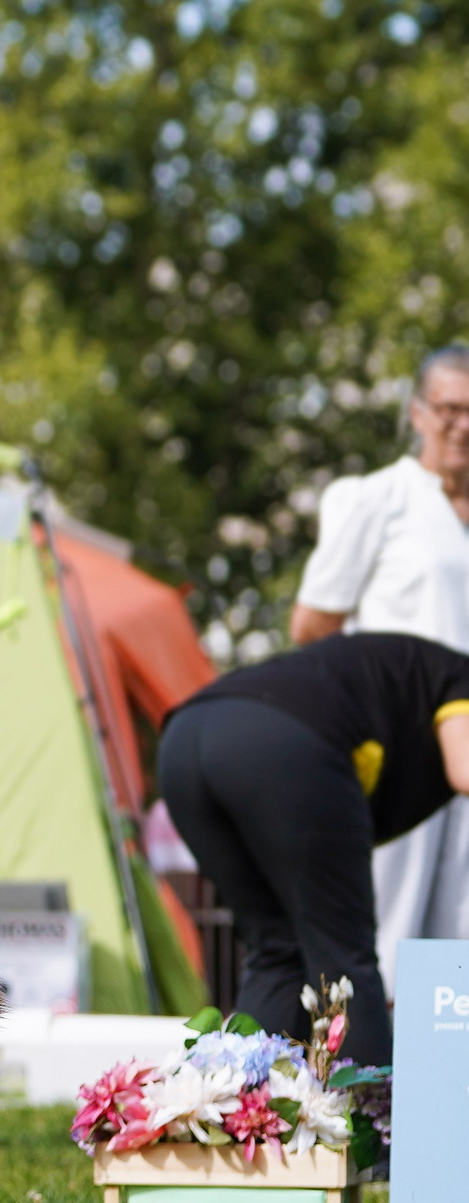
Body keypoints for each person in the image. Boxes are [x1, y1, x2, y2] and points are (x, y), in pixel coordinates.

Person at [153, 632, 469, 1067]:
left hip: (184, 742)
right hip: (280, 743)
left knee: (275, 949)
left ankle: (242, 1121)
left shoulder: (404, 674)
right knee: (343, 962)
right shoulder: (458, 676)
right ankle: (368, 1127)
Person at [290, 343, 469, 978]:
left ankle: (444, 1079)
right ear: (418, 413)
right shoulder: (378, 498)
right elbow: (313, 625)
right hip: (396, 752)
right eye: (450, 410)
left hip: (467, 760)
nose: (464, 426)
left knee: (456, 953)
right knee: (389, 935)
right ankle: (363, 1078)